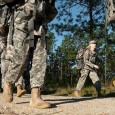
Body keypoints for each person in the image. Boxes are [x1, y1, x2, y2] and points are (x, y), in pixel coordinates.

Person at [2, 0, 57, 109]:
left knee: (40, 60)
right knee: (20, 59)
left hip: (40, 25)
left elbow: (51, 12)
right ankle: (8, 83)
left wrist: (49, 8)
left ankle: (35, 97)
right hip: (22, 20)